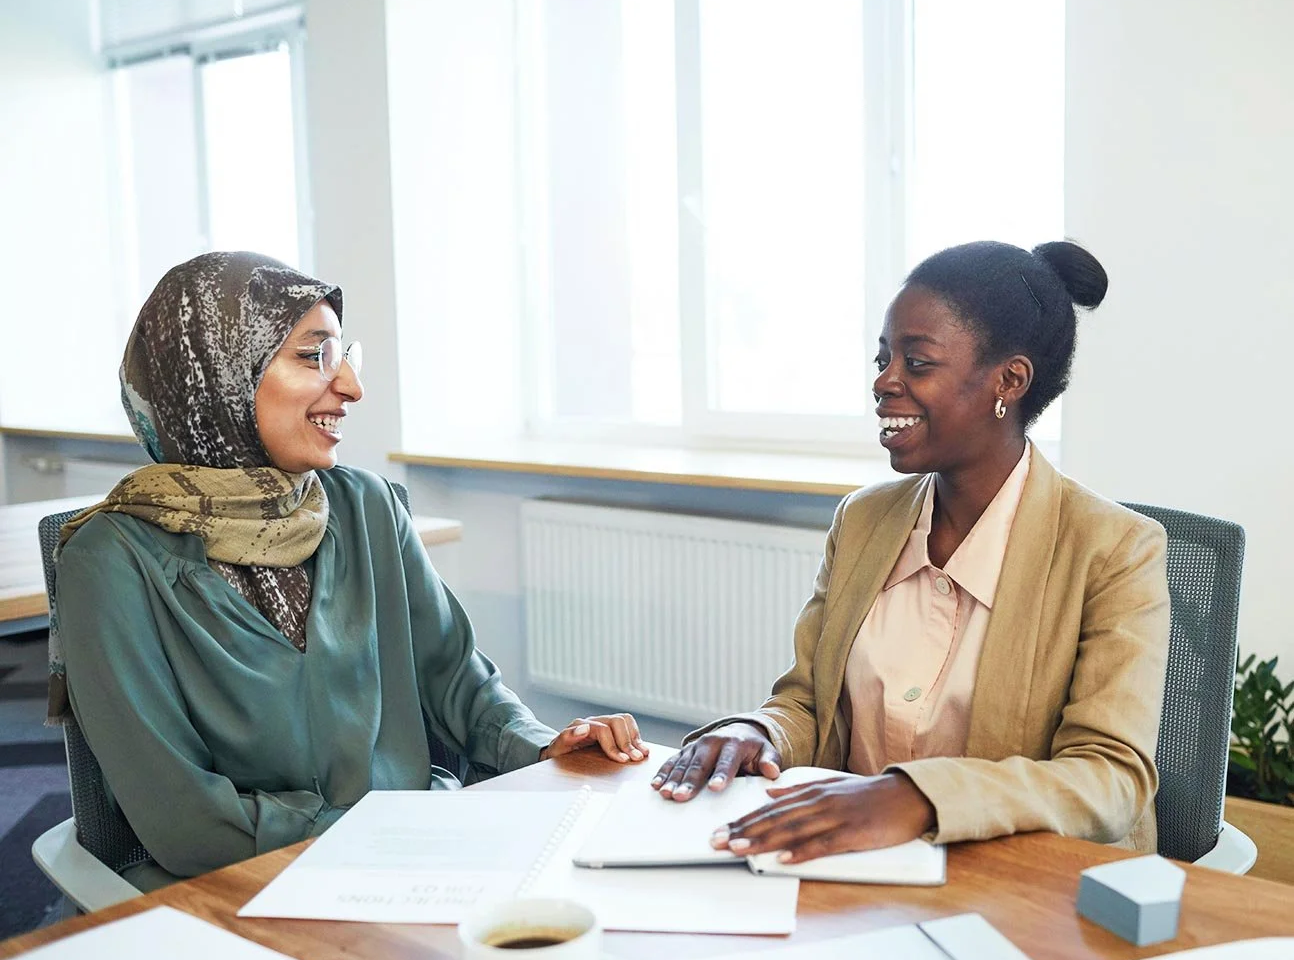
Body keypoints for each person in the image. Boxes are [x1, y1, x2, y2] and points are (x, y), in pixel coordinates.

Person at [49, 252, 647, 890]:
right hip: (244, 890)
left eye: (345, 355)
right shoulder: (110, 561)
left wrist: (542, 745)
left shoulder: (366, 507)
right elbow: (186, 820)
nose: (353, 387)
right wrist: (392, 832)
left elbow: (459, 685)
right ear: (217, 378)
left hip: (424, 855)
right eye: (314, 357)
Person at [651, 240, 1169, 864]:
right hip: (856, 872)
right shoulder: (865, 519)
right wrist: (757, 730)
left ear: (1010, 380)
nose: (883, 382)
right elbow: (808, 704)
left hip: (1021, 885)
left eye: (916, 363)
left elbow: (1111, 779)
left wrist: (917, 797)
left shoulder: (1114, 550)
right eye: (882, 358)